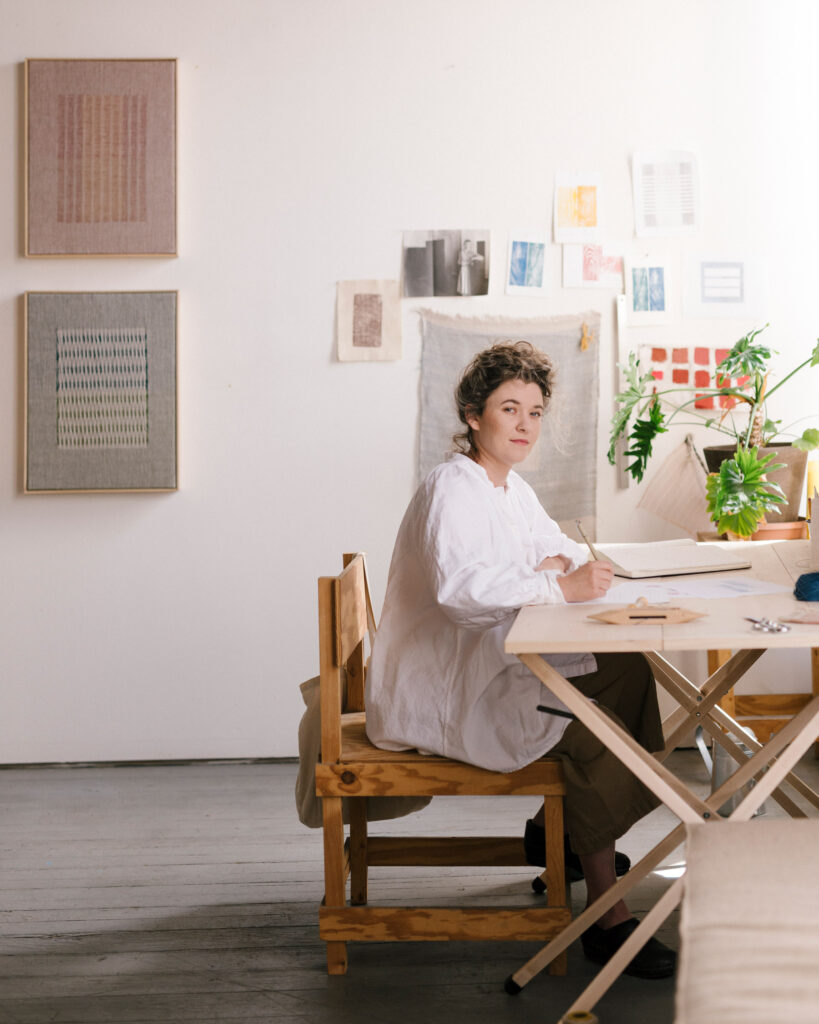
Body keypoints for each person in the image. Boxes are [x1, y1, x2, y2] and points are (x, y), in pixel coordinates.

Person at [365, 340, 676, 979]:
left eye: (535, 412)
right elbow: (462, 593)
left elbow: (550, 541)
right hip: (452, 685)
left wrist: (573, 562)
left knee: (629, 673)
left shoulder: (505, 485)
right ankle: (605, 918)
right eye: (511, 409)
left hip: (487, 661)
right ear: (474, 415)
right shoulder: (455, 488)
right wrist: (559, 584)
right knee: (591, 720)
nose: (525, 425)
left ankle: (559, 835)